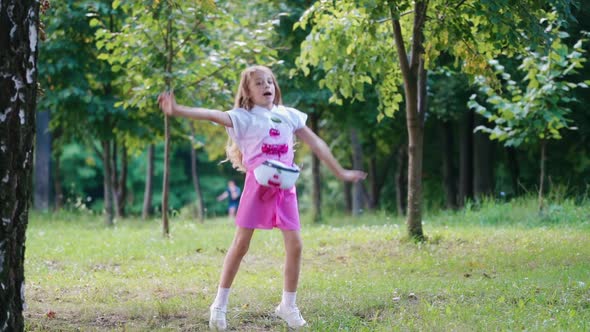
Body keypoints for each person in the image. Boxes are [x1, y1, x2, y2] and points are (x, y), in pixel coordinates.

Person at [158, 65, 366, 331]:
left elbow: (317, 144)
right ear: (247, 91)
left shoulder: (289, 115)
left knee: (296, 245)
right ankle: (219, 305)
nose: (266, 85)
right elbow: (212, 114)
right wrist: (178, 110)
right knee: (241, 244)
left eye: (269, 81)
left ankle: (287, 307)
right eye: (258, 83)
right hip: (257, 186)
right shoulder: (244, 117)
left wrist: (341, 172)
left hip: (285, 187)